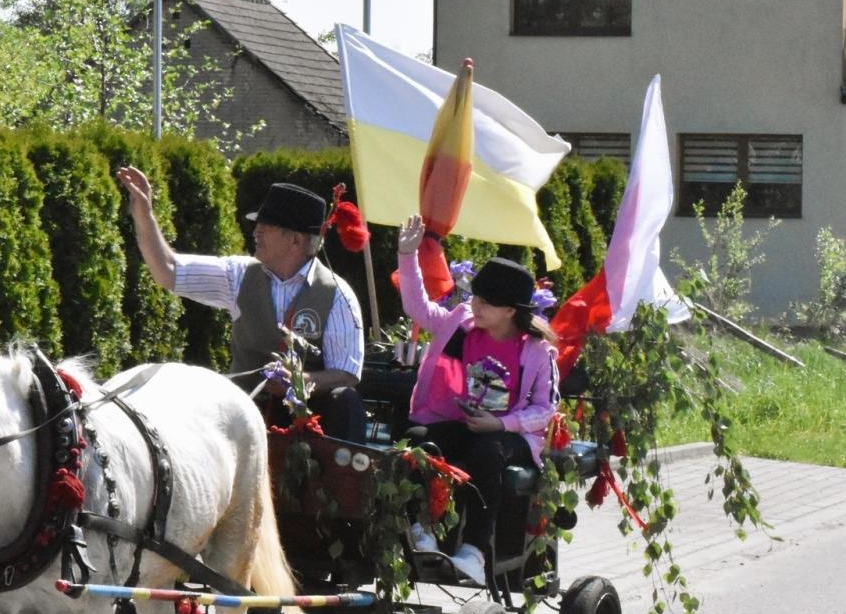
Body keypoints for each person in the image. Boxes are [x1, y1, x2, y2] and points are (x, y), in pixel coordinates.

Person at [118, 168, 367, 440]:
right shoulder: (238, 274)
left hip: (307, 427)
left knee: (345, 401)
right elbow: (169, 270)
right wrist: (144, 215)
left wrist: (302, 382)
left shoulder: (337, 295)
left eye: (266, 226)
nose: (256, 231)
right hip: (239, 415)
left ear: (295, 239)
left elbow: (346, 375)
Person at [396, 214, 560, 584]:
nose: (476, 306)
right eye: (475, 298)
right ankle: (423, 529)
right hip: (468, 421)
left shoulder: (536, 351)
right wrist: (407, 255)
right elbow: (418, 308)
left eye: (486, 302)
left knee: (488, 453)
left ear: (510, 311)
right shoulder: (463, 324)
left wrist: (500, 424)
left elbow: (545, 410)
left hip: (512, 436)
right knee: (420, 442)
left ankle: (474, 551)